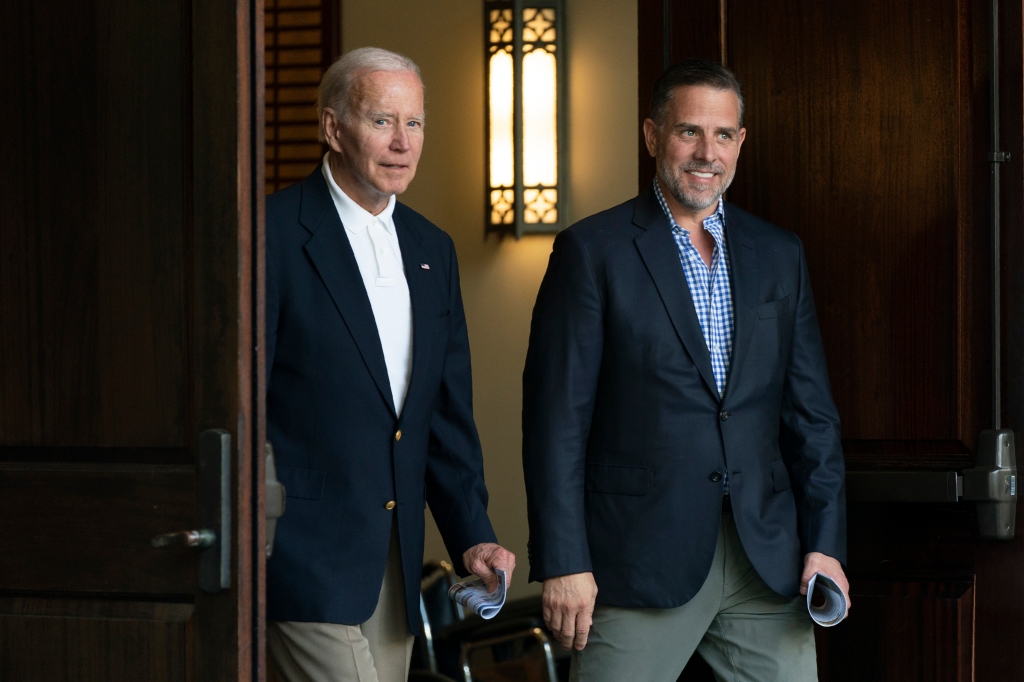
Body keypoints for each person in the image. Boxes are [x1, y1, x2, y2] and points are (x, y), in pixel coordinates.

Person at [521, 58, 849, 681]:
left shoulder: (779, 253)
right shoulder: (592, 252)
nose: (707, 152)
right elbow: (555, 423)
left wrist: (826, 544)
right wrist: (564, 560)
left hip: (764, 562)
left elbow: (812, 416)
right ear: (652, 136)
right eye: (688, 132)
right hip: (637, 556)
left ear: (741, 142)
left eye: (723, 135)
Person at [265, 46, 515, 682]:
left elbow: (443, 418)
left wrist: (472, 538)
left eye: (416, 123)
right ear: (332, 127)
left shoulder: (434, 249)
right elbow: (242, 406)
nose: (403, 142)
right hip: (301, 558)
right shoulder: (271, 233)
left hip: (395, 567)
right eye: (382, 121)